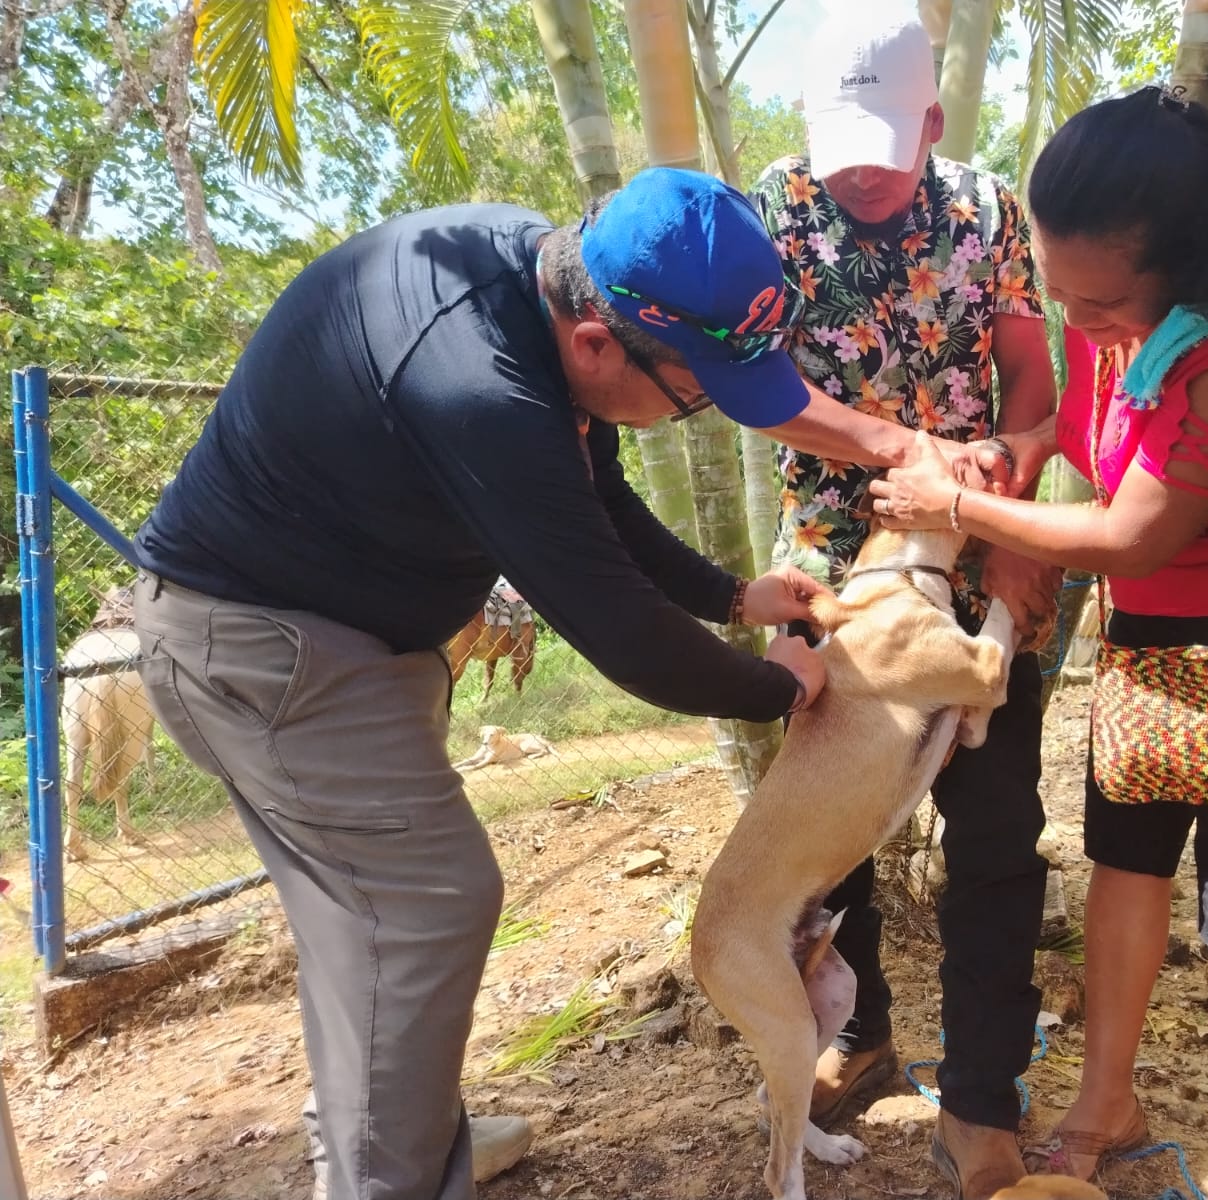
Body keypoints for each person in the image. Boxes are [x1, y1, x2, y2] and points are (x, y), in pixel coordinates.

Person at [130, 167, 999, 1200]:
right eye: (693, 396)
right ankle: (389, 1171)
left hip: (348, 641)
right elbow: (620, 630)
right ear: (597, 345)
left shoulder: (550, 280)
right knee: (422, 907)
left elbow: (601, 501)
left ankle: (404, 1131)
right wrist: (780, 688)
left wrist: (733, 595)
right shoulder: (482, 389)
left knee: (363, 925)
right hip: (271, 646)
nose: (693, 416)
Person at [865, 87, 1208, 1200]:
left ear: (1187, 269)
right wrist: (1013, 458)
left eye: (1100, 303)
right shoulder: (1109, 313)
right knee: (1127, 858)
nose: (1079, 318)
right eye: (1061, 294)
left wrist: (958, 509)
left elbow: (1132, 534)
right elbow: (1088, 437)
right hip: (1154, 625)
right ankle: (1108, 1097)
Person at [745, 13, 1063, 1197]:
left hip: (978, 542)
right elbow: (758, 387)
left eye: (884, 147)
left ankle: (980, 1096)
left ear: (929, 120)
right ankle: (858, 1028)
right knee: (830, 835)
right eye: (840, 151)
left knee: (997, 825)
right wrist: (895, 448)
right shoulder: (774, 211)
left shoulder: (987, 210)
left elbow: (1030, 378)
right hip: (834, 571)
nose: (861, 176)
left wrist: (1006, 510)